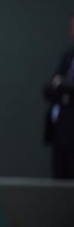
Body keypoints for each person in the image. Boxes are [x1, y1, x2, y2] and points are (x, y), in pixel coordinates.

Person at [43, 13, 74, 179]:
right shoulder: (68, 56)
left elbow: (61, 85)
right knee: (60, 176)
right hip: (60, 130)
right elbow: (51, 87)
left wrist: (63, 88)